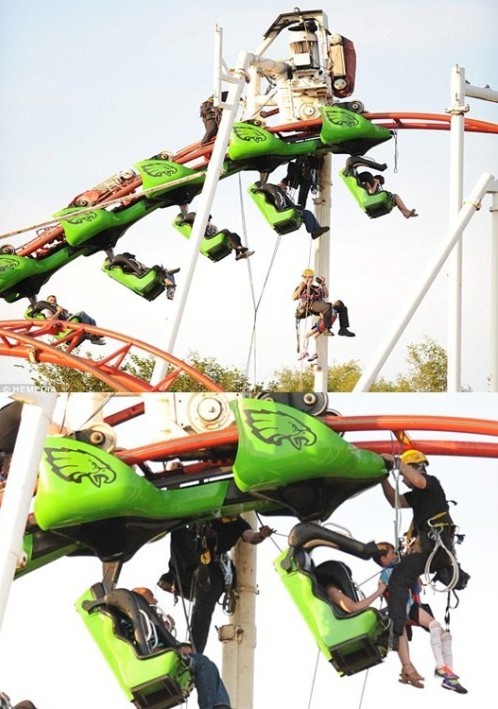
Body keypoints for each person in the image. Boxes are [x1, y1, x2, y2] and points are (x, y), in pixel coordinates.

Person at [379, 450, 459, 654]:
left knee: (398, 579)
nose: (403, 480)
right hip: (433, 550)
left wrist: (397, 463)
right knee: (401, 577)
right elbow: (394, 501)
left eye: (404, 475)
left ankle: (395, 630)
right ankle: (406, 624)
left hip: (435, 547)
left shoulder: (431, 483)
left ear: (414, 467)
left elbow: (419, 481)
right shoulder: (417, 496)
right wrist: (382, 478)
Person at [158, 517, 274, 653]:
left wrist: (261, 535)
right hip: (188, 567)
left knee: (203, 608)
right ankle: (195, 568)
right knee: (178, 527)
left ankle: (194, 649)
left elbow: (251, 537)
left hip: (211, 572)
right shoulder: (208, 513)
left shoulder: (239, 524)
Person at [373, 542, 468, 693]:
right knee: (434, 626)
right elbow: (395, 590)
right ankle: (440, 667)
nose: (396, 555)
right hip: (405, 608)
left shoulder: (400, 568)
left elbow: (417, 587)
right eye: (392, 553)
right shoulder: (387, 574)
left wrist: (415, 571)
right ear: (383, 559)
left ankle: (449, 677)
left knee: (445, 636)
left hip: (411, 605)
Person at [132, 587, 232, 709]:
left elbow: (153, 639)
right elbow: (143, 643)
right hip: (156, 662)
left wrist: (165, 628)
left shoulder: (144, 619)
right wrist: (174, 650)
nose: (155, 600)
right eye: (150, 595)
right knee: (202, 663)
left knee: (208, 666)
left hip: (163, 658)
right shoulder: (137, 616)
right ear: (138, 596)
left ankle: (220, 705)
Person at [292, 269, 355, 338]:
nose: (310, 279)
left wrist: (322, 284)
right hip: (312, 305)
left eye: (311, 277)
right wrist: (302, 286)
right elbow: (294, 297)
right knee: (327, 307)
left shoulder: (315, 287)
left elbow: (326, 294)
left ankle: (343, 329)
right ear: (304, 278)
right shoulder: (302, 287)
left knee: (340, 304)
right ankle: (327, 329)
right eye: (308, 277)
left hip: (321, 304)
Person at [180, 213, 254, 262]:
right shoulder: (199, 227)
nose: (208, 221)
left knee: (235, 235)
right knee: (225, 231)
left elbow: (216, 231)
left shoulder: (210, 225)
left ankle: (238, 254)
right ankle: (238, 248)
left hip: (216, 238)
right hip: (211, 241)